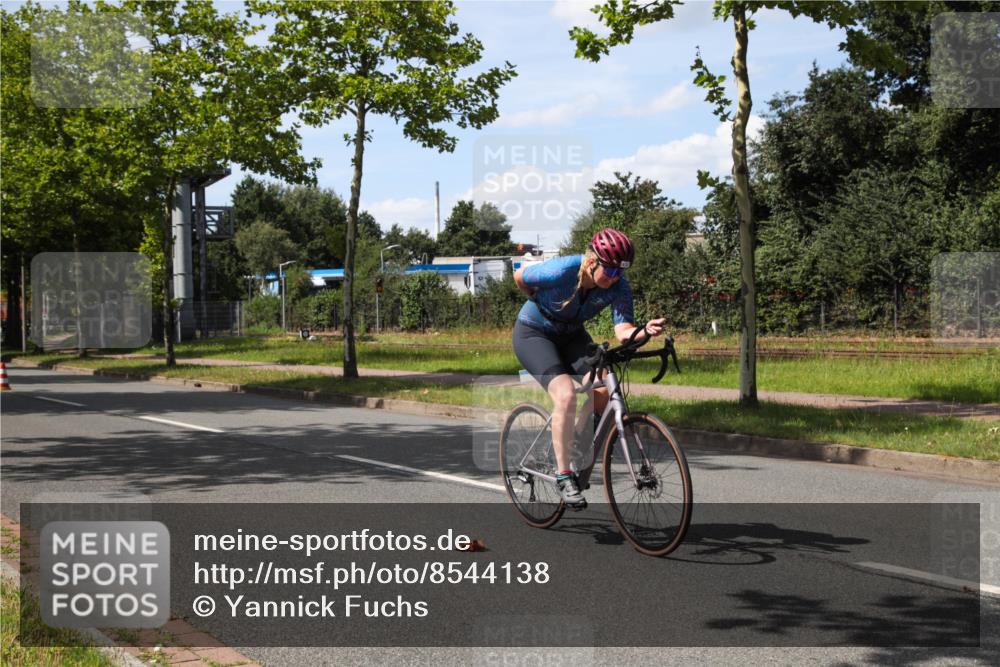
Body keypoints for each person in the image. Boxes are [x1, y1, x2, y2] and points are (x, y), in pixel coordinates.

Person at [512, 228, 667, 509]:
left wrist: (644, 331)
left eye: (620, 273)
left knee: (605, 387)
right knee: (566, 394)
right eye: (609, 271)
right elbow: (519, 275)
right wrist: (535, 298)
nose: (614, 278)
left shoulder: (618, 286)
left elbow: (623, 331)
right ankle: (563, 475)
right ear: (592, 261)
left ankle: (575, 447)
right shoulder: (562, 270)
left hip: (572, 335)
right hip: (534, 333)